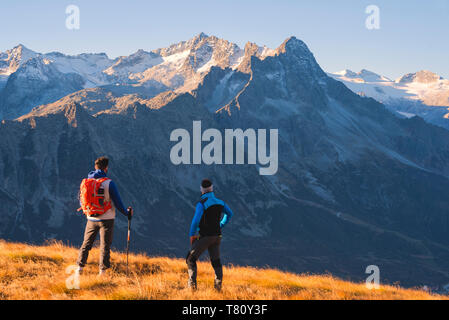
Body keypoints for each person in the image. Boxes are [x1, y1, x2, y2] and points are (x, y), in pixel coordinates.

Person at [76, 156, 132, 276]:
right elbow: (118, 203)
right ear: (106, 168)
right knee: (105, 246)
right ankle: (102, 272)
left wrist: (88, 210)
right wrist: (127, 213)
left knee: (86, 244)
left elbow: (81, 200)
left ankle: (79, 268)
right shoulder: (109, 183)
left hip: (91, 218)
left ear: (95, 167)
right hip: (107, 219)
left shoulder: (86, 182)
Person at [186, 179, 233, 291]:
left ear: (201, 190)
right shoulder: (220, 202)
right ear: (212, 188)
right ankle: (217, 288)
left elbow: (195, 220)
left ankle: (192, 289)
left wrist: (192, 235)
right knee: (216, 261)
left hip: (206, 236)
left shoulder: (202, 203)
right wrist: (221, 224)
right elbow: (230, 214)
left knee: (190, 259)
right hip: (217, 236)